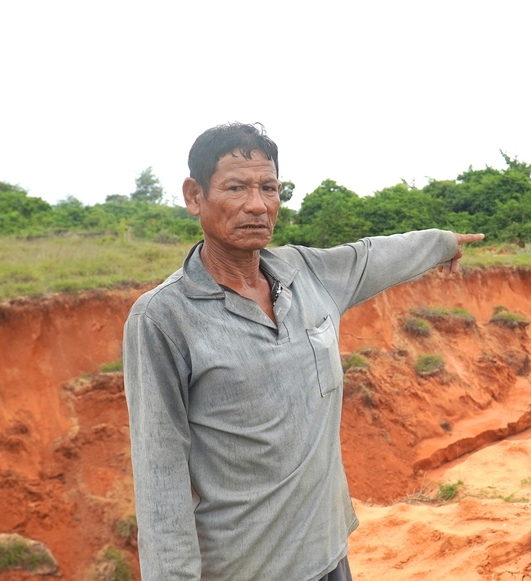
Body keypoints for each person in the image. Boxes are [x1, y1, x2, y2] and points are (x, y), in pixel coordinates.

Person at [123, 122, 483, 581]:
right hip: (245, 569)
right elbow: (160, 472)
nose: (257, 204)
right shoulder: (162, 317)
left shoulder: (306, 274)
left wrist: (443, 244)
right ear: (195, 196)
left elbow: (374, 256)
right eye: (236, 187)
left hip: (329, 554)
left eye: (269, 187)